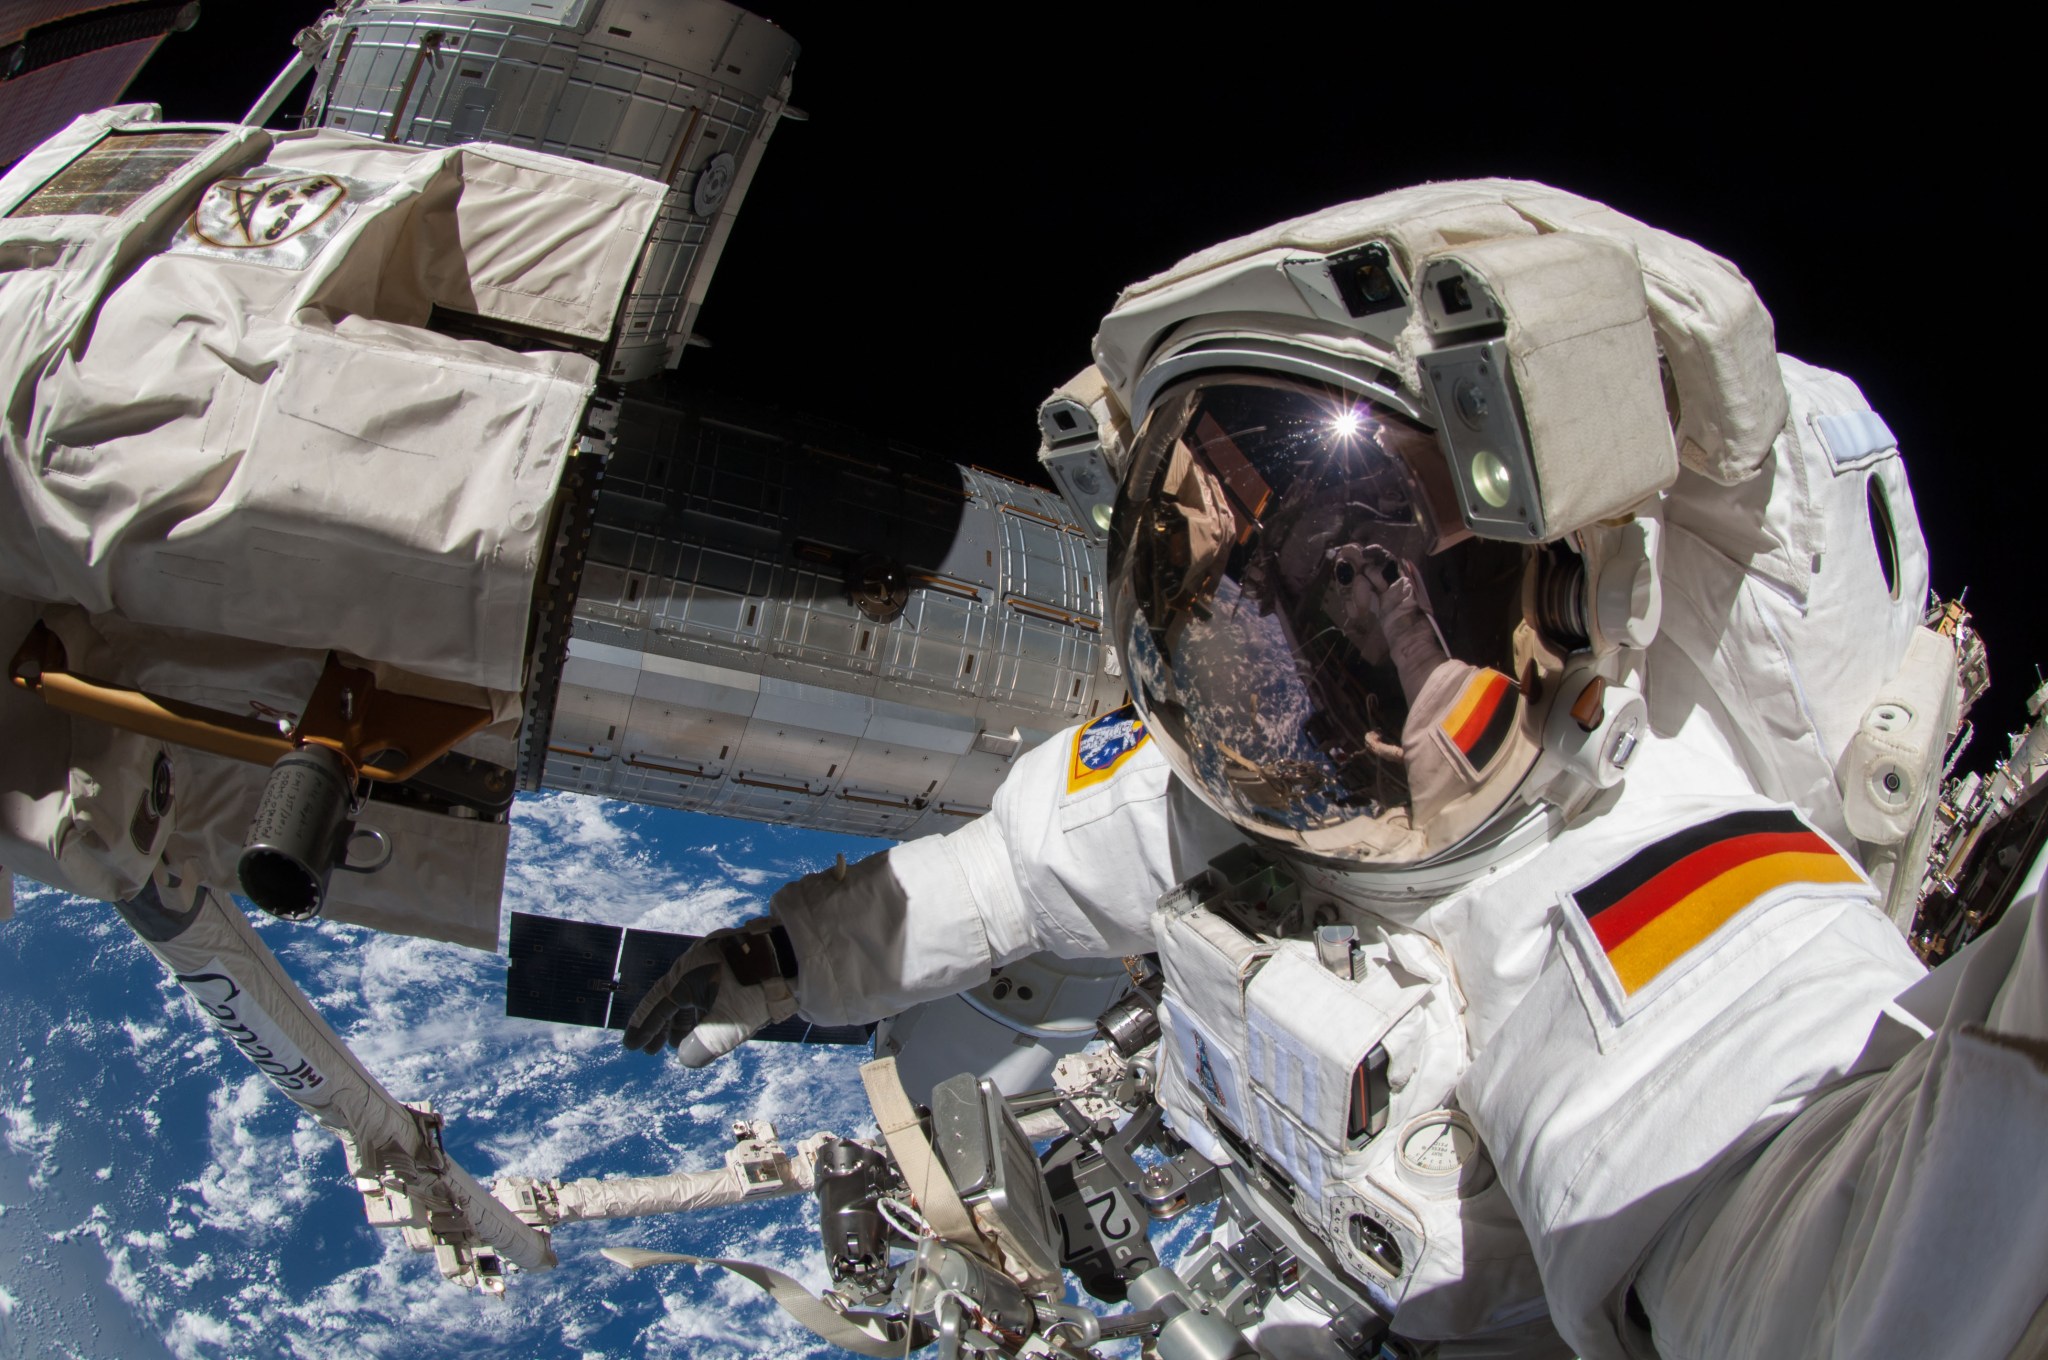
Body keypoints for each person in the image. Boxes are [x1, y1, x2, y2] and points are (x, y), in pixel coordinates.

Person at [623, 180, 2048, 1358]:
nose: (1306, 633)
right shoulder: (1227, 775)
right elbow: (995, 880)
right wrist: (775, 958)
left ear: (1578, 608)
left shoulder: (1656, 896)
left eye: (1380, 572)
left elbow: (1844, 1252)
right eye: (1266, 591)